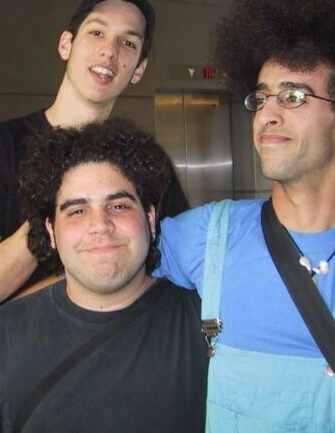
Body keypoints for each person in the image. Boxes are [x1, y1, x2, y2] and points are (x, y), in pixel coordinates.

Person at [155, 0, 335, 431]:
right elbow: (97, 269)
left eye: (292, 97)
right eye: (261, 98)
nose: (266, 114)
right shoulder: (205, 235)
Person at [0, 117, 207, 433]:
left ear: (150, 219)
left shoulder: (208, 322)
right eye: (77, 211)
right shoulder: (7, 335)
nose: (100, 225)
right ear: (51, 232)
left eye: (119, 206)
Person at [0, 0, 188, 301]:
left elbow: (172, 269)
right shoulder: (6, 146)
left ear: (139, 69)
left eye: (128, 43)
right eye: (97, 32)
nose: (109, 51)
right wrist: (42, 224)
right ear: (66, 44)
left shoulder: (146, 162)